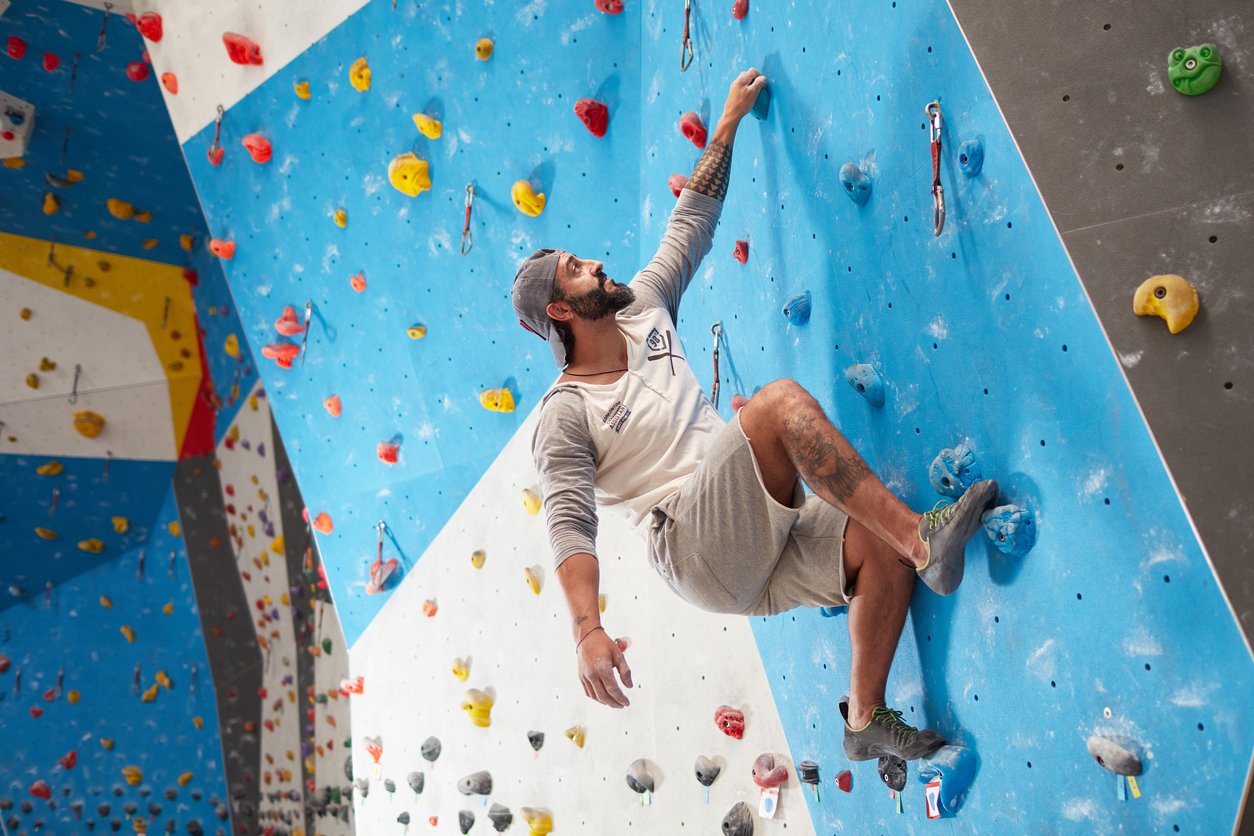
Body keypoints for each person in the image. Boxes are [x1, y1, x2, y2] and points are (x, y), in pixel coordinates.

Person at [510, 68, 998, 762]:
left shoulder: (644, 306)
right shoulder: (564, 413)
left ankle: (863, 721)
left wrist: (730, 123)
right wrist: (586, 628)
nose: (594, 265)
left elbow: (692, 221)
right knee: (775, 407)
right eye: (576, 270)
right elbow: (568, 522)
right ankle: (927, 544)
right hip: (691, 546)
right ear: (561, 311)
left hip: (754, 527)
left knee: (873, 543)